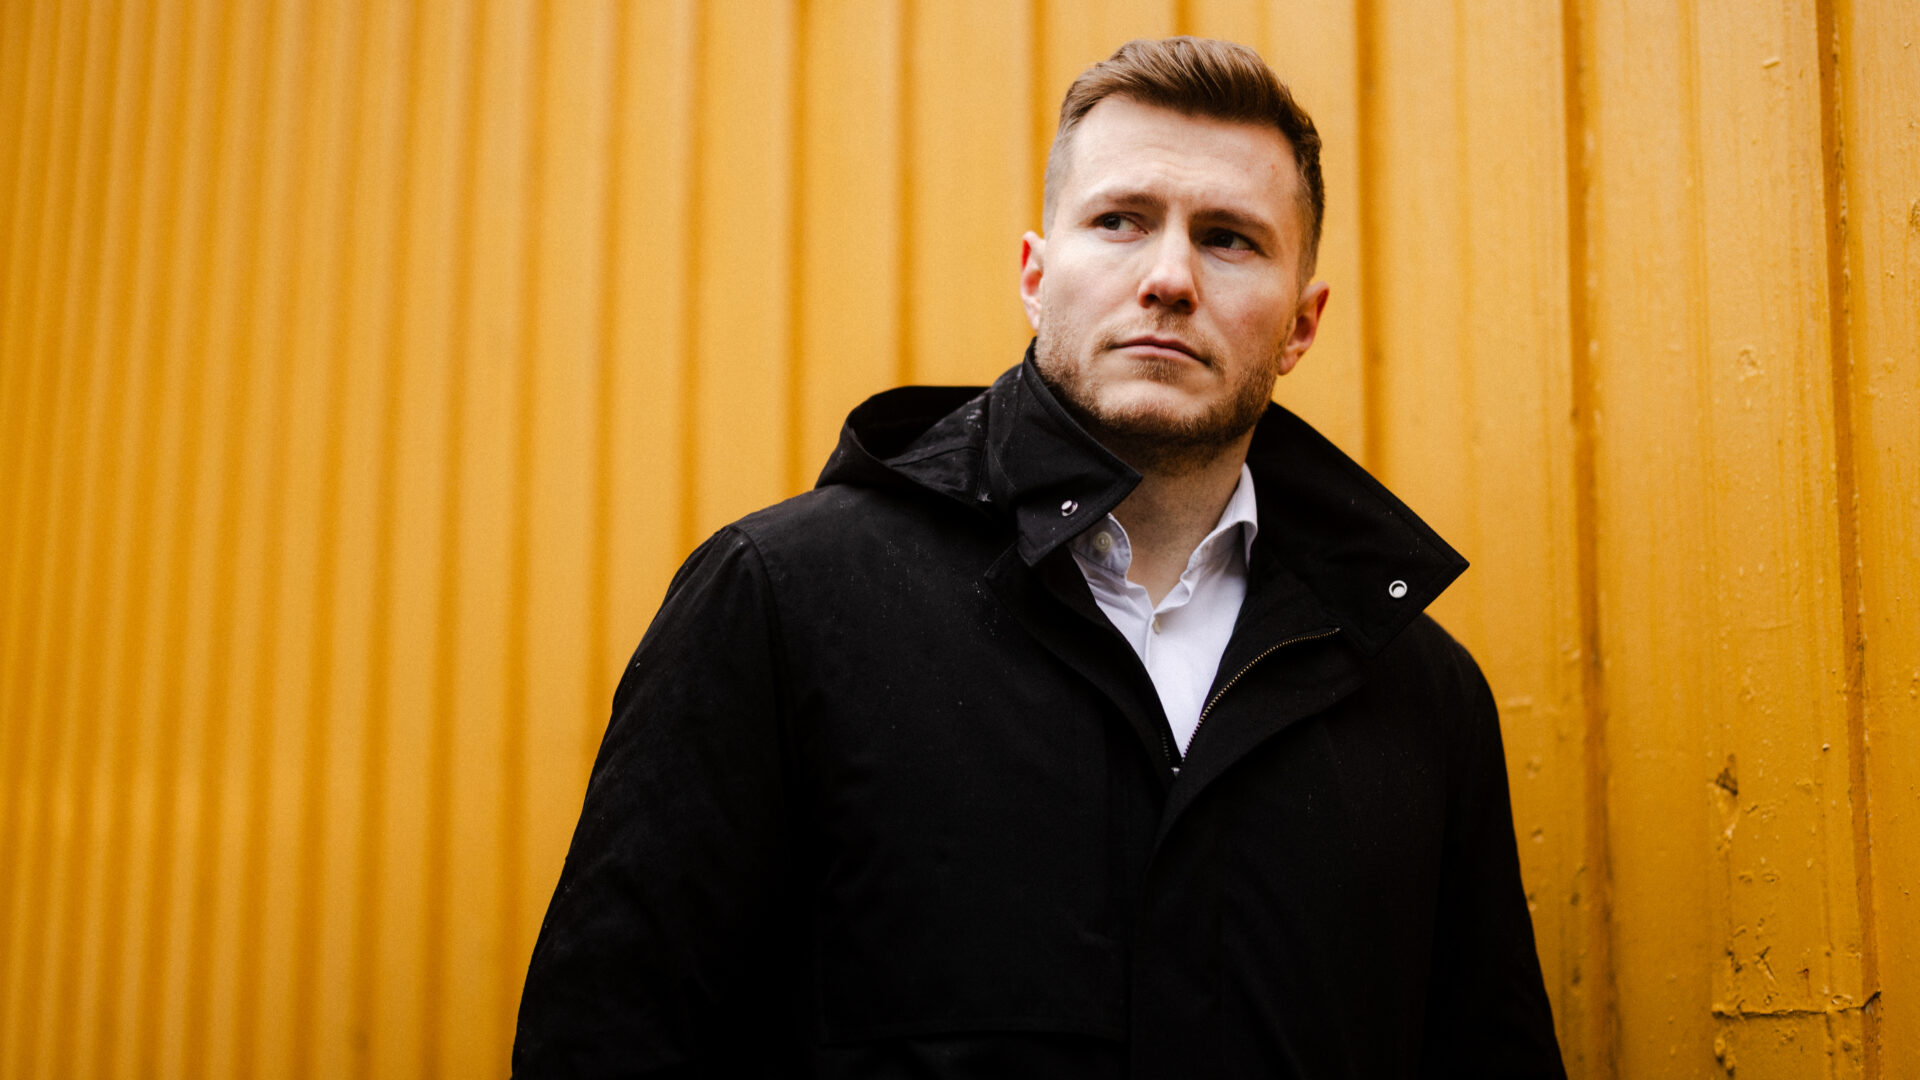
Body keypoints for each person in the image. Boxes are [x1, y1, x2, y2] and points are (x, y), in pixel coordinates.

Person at [513, 36, 1566, 1079]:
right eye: (1120, 221)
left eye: (1229, 239)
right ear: (1035, 273)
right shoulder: (783, 601)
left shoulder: (1419, 695)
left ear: (1302, 323)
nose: (1169, 278)